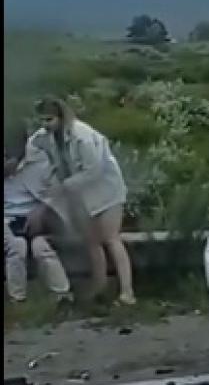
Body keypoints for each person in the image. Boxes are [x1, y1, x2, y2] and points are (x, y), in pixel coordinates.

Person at [30, 96, 136, 305]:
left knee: (111, 238)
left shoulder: (82, 136)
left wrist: (64, 186)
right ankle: (99, 286)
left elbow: (94, 170)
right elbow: (35, 147)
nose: (45, 125)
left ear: (61, 117)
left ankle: (127, 292)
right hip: (82, 193)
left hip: (106, 189)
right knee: (91, 241)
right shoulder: (45, 136)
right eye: (42, 120)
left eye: (49, 119)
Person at [4, 139, 72, 303]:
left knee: (41, 247)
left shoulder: (40, 160)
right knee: (17, 247)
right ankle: (17, 298)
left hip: (34, 215)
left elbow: (55, 193)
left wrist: (42, 209)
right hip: (6, 216)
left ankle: (63, 296)